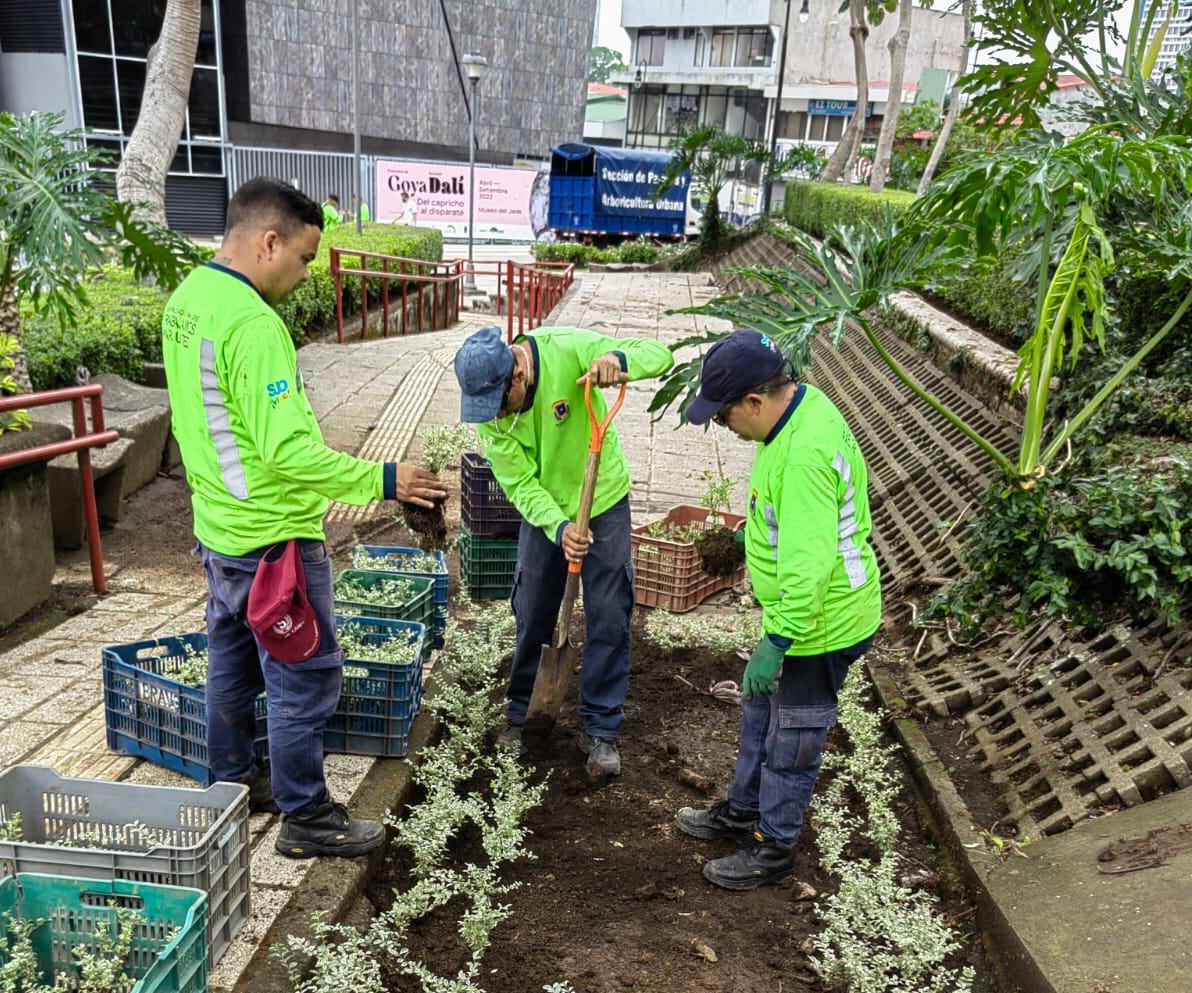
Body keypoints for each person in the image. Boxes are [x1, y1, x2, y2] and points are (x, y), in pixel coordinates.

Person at [161, 177, 446, 858]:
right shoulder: (255, 324)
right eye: (306, 256)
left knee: (230, 663)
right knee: (304, 677)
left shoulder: (188, 299)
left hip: (220, 530)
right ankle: (307, 818)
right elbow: (288, 451)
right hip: (274, 541)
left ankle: (231, 783)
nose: (306, 271)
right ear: (269, 241)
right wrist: (384, 478)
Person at [675, 330, 881, 890]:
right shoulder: (796, 412)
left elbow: (810, 564)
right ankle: (743, 813)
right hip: (800, 613)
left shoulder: (803, 457)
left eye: (723, 417)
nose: (726, 428)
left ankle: (773, 849)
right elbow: (793, 527)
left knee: (793, 737)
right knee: (760, 715)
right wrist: (751, 544)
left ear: (755, 402)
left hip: (824, 623)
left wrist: (778, 642)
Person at [453, 325, 673, 780]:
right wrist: (559, 527)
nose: (493, 415)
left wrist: (617, 359)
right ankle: (523, 712)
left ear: (517, 374)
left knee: (609, 610)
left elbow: (659, 352)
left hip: (603, 496)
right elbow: (518, 483)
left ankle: (601, 728)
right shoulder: (490, 416)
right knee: (532, 604)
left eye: (498, 403)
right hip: (546, 510)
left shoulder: (568, 350)